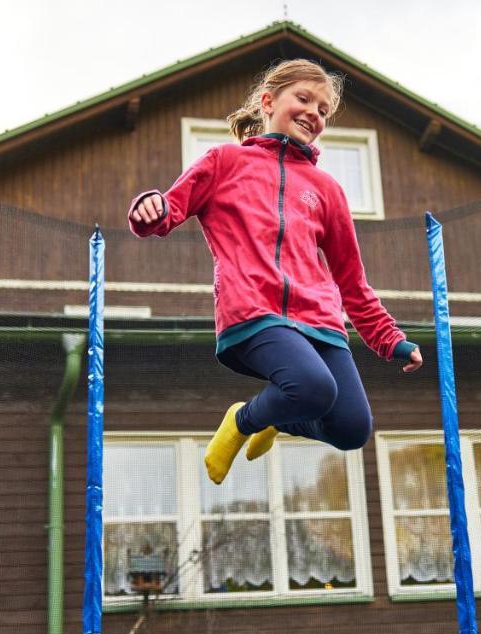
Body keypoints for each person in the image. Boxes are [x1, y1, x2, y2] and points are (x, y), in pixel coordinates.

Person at [128, 58, 422, 485]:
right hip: (254, 312)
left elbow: (352, 282)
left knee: (351, 428)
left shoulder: (328, 190)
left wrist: (389, 339)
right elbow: (166, 211)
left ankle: (276, 416)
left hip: (319, 321)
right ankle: (243, 420)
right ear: (268, 101)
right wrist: (148, 207)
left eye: (323, 110)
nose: (314, 114)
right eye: (303, 99)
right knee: (313, 387)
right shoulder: (224, 162)